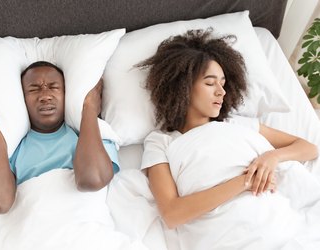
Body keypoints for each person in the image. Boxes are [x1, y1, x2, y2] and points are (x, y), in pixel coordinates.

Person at [137, 29, 319, 248]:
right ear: (183, 86)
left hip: (281, 228)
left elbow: (308, 148)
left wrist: (272, 157)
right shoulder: (160, 141)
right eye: (210, 83)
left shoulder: (236, 124)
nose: (221, 92)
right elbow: (172, 213)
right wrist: (245, 181)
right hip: (226, 236)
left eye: (223, 83)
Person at [0, 61, 119, 215]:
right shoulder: (13, 149)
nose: (45, 96)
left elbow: (93, 180)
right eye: (34, 89)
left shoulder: (91, 136)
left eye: (54, 87)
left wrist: (89, 108)